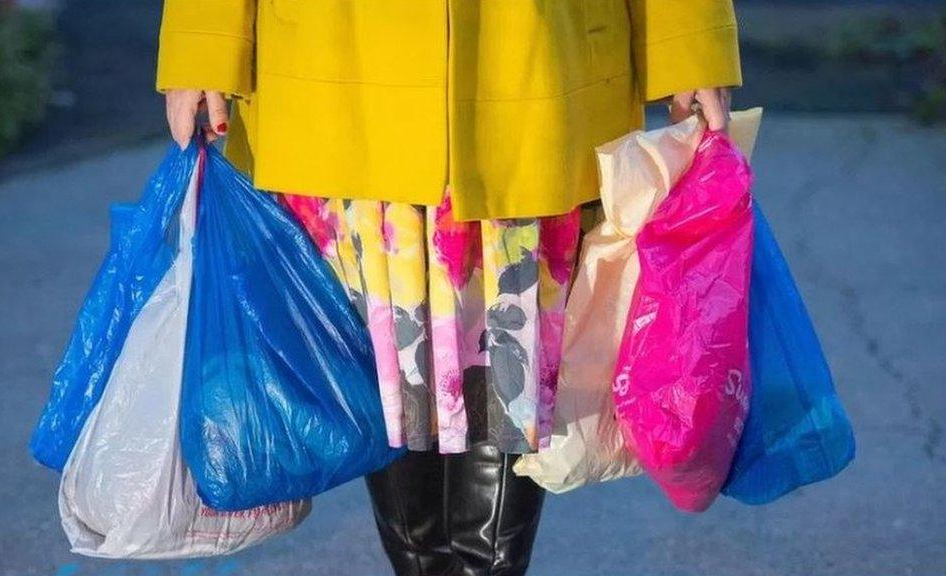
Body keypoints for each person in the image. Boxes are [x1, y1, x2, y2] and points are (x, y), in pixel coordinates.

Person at [156, 2, 740, 574]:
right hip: (344, 68)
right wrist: (201, 43)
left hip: (530, 66)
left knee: (513, 364)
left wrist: (690, 42)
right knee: (386, 370)